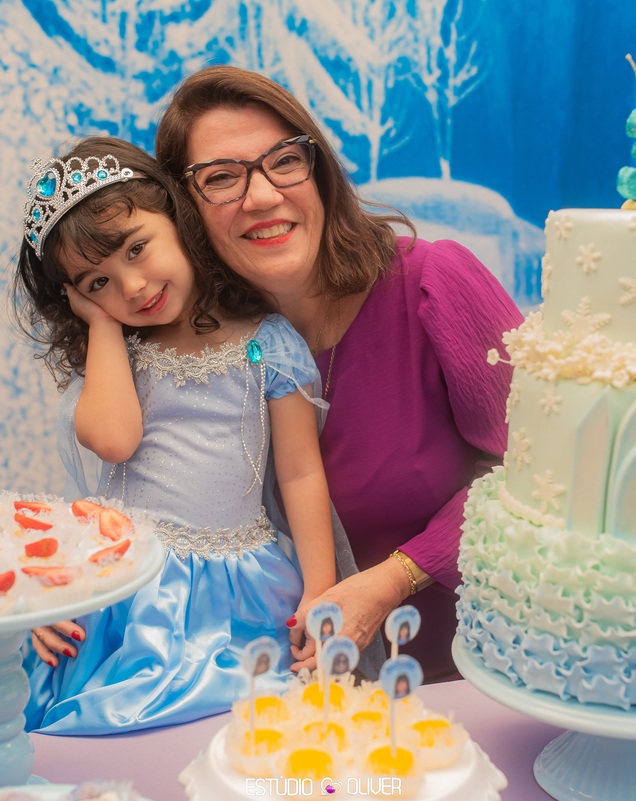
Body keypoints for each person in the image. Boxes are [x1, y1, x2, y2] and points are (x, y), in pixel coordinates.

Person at [153, 66, 524, 681]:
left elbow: (539, 474)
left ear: (318, 172)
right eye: (221, 178)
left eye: (284, 162)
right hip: (277, 694)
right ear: (184, 211)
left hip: (463, 681)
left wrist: (394, 578)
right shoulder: (197, 348)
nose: (262, 196)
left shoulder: (434, 283)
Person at [13, 136, 337, 734]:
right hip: (125, 589)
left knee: (242, 733)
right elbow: (115, 441)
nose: (132, 287)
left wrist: (321, 592)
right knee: (110, 726)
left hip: (237, 590)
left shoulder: (266, 342)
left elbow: (300, 472)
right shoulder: (117, 357)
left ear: (179, 218)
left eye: (138, 249)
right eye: (97, 283)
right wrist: (102, 328)